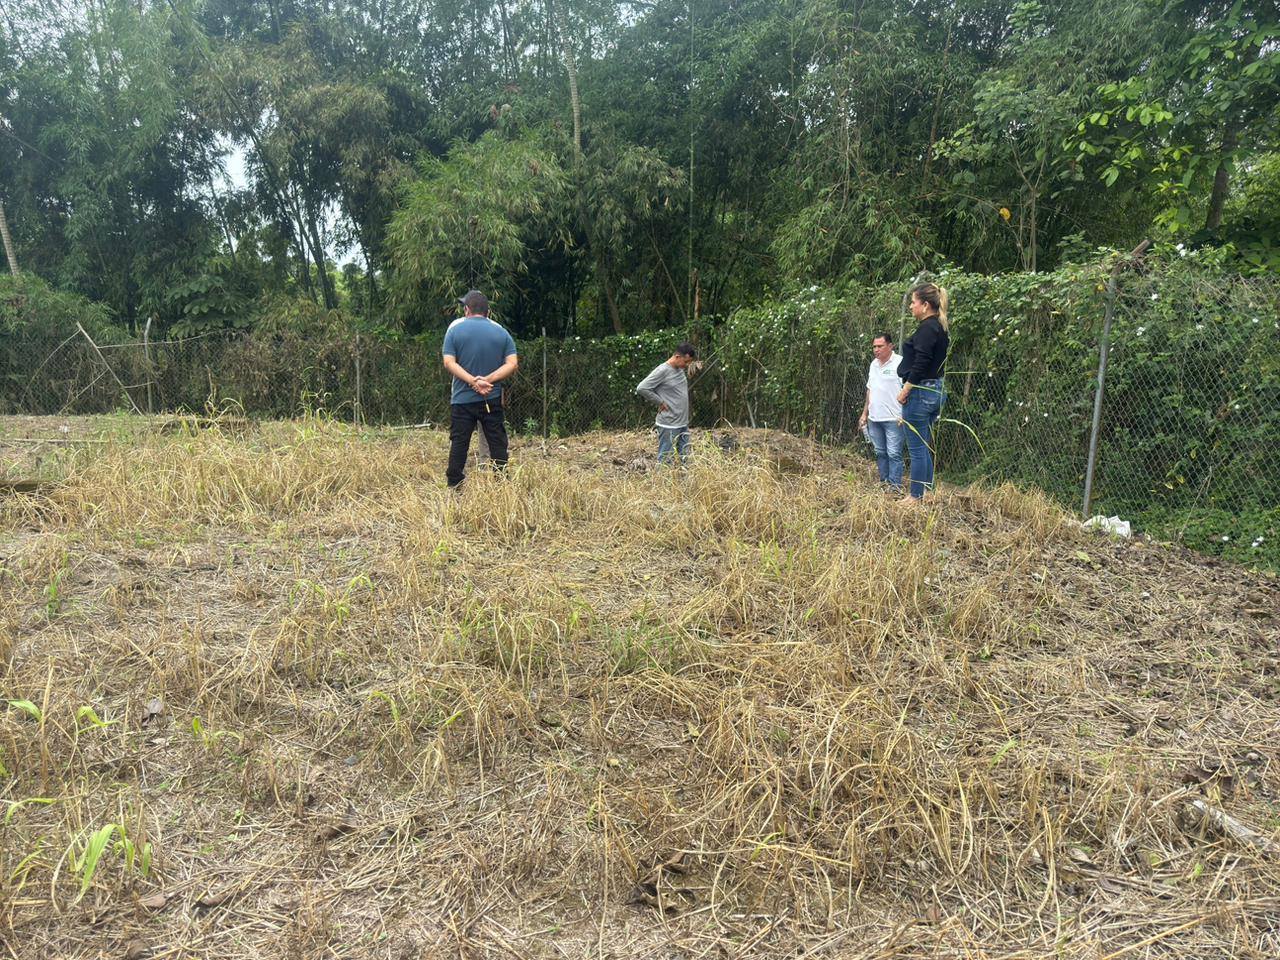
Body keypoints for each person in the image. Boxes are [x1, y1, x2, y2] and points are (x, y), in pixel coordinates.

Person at [441, 290, 518, 488]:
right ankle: (501, 484)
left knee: (459, 444)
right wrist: (488, 379)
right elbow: (512, 363)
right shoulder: (501, 332)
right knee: (497, 443)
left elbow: (449, 362)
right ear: (488, 312)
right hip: (491, 398)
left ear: (467, 309)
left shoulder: (454, 330)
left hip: (462, 400)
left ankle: (455, 486)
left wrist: (472, 381)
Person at [897, 282, 950, 502]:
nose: (910, 306)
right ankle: (927, 492)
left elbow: (921, 362)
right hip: (935, 390)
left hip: (920, 392)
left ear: (925, 305)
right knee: (923, 446)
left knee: (917, 449)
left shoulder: (927, 328)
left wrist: (906, 389)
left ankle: (915, 496)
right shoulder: (940, 327)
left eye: (913, 302)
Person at [636, 342, 698, 464]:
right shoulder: (662, 370)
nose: (687, 365)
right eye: (686, 362)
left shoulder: (679, 369)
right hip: (669, 423)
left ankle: (684, 476)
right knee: (665, 459)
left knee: (685, 457)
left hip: (682, 423)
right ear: (677, 357)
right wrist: (660, 402)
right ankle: (662, 476)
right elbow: (642, 388)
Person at [857, 332, 904, 491]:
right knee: (880, 452)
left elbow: (908, 389)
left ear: (890, 346)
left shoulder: (900, 363)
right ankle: (884, 482)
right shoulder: (873, 364)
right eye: (874, 347)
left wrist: (904, 415)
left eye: (880, 346)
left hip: (894, 418)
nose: (876, 350)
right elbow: (870, 390)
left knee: (894, 453)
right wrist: (865, 414)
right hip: (874, 418)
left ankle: (895, 486)